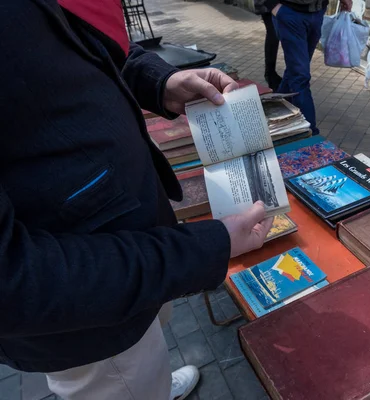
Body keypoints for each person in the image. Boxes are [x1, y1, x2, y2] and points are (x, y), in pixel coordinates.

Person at [0, 1, 273, 400]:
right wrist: (205, 249)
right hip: (90, 320)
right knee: (127, 380)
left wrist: (160, 81)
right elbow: (13, 283)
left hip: (139, 253)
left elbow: (87, 45)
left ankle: (155, 384)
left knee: (150, 347)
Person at [266, 0, 352, 136]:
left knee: (295, 71)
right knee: (300, 76)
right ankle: (311, 134)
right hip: (289, 12)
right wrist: (272, 5)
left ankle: (273, 115)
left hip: (317, 11)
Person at [254, 0, 283, 90]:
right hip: (269, 5)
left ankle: (270, 73)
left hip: (278, 5)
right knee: (273, 35)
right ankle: (270, 73)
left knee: (274, 36)